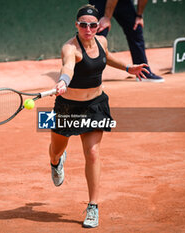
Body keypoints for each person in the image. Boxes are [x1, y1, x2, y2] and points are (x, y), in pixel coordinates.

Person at [48, 4, 149, 228]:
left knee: (93, 153)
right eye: (83, 25)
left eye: (92, 25)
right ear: (77, 25)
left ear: (97, 27)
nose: (88, 29)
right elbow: (68, 67)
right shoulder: (69, 48)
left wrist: (127, 68)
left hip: (95, 105)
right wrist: (63, 81)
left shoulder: (101, 41)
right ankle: (56, 163)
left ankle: (93, 206)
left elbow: (107, 57)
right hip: (68, 107)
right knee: (57, 149)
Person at [89, 0, 165, 82]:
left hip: (123, 3)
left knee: (135, 28)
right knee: (99, 29)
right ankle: (86, 75)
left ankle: (142, 72)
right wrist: (107, 18)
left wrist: (139, 16)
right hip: (100, 2)